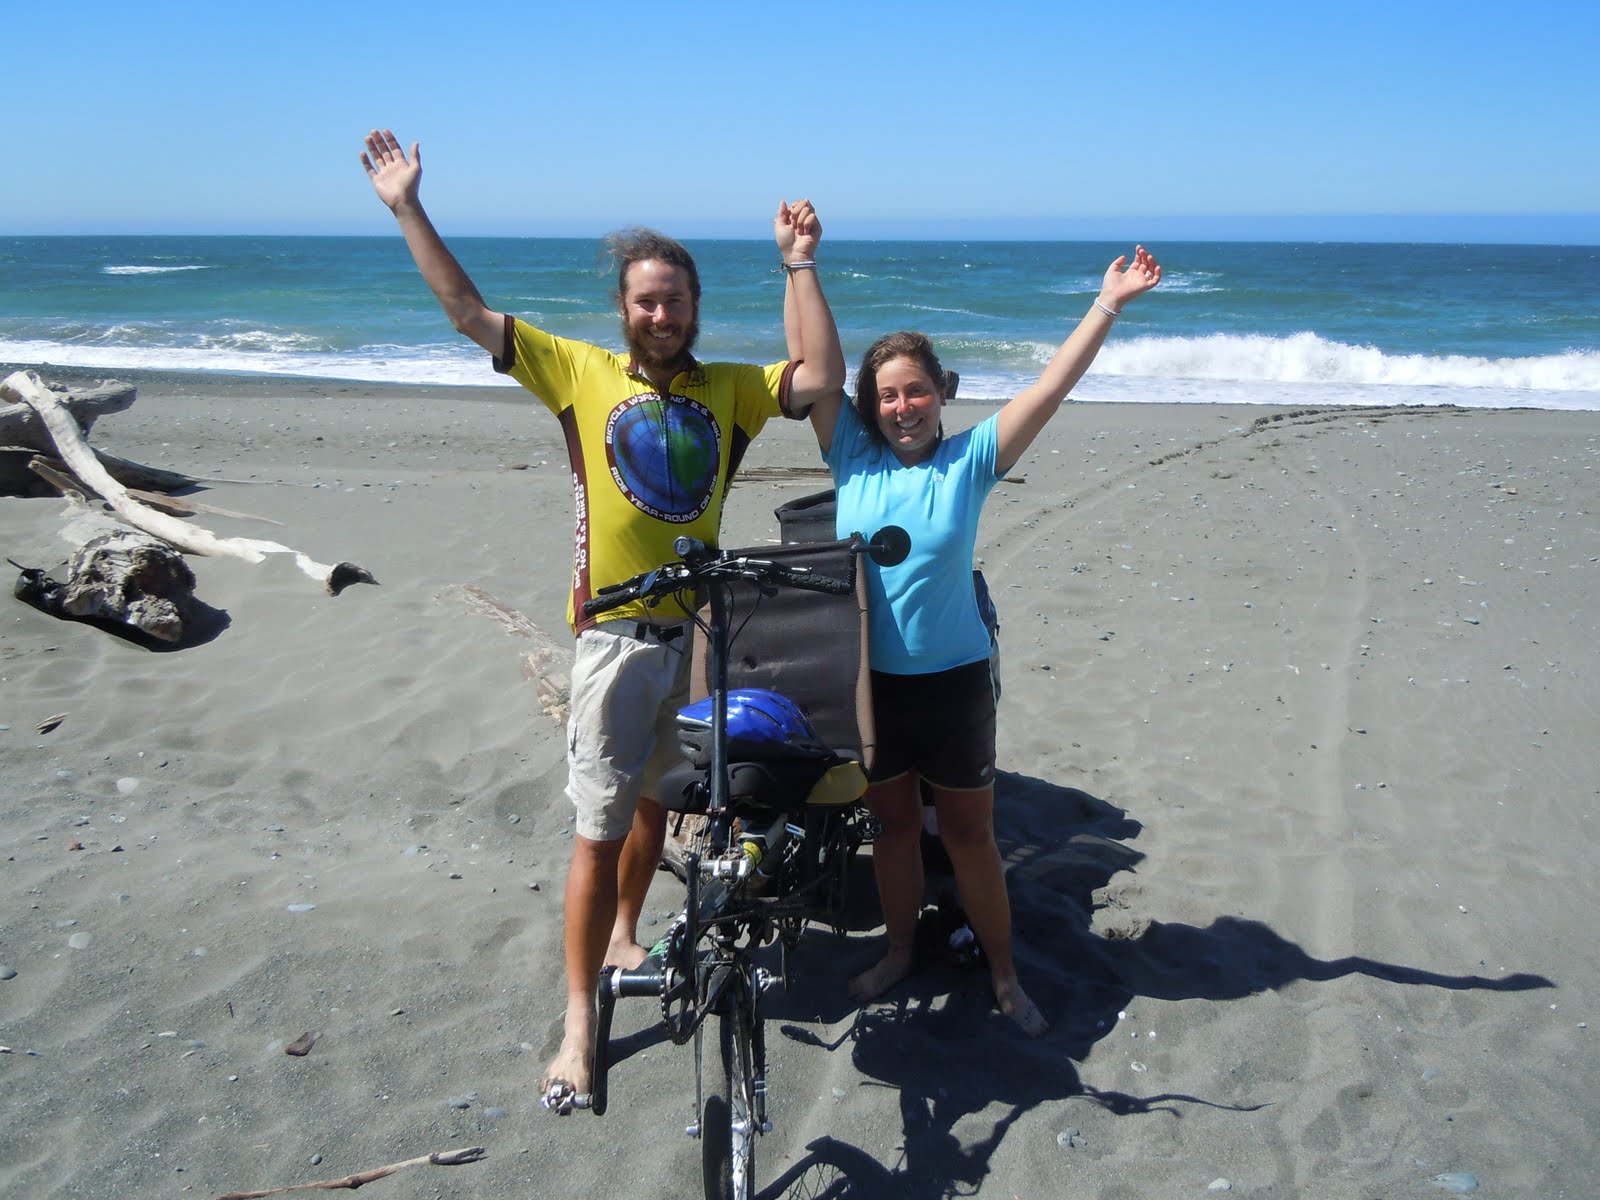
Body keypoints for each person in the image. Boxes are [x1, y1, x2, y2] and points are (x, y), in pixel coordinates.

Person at [361, 129, 845, 1109]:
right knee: (598, 827)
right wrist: (408, 206)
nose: (661, 314)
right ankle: (580, 1019)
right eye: (645, 301)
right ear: (624, 309)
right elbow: (467, 313)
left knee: (659, 804)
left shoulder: (729, 390)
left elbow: (821, 377)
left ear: (696, 307)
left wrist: (799, 265)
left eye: (675, 300)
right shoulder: (577, 373)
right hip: (614, 643)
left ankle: (627, 935)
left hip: (699, 638)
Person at [791, 246, 1161, 1035]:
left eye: (916, 390)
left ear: (941, 393)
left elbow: (1049, 388)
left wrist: (1108, 303)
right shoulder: (850, 455)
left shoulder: (970, 461)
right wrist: (800, 262)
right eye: (888, 395)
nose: (903, 407)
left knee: (969, 836)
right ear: (870, 406)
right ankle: (899, 951)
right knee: (894, 830)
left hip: (954, 687)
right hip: (872, 688)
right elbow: (814, 367)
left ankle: (1004, 974)